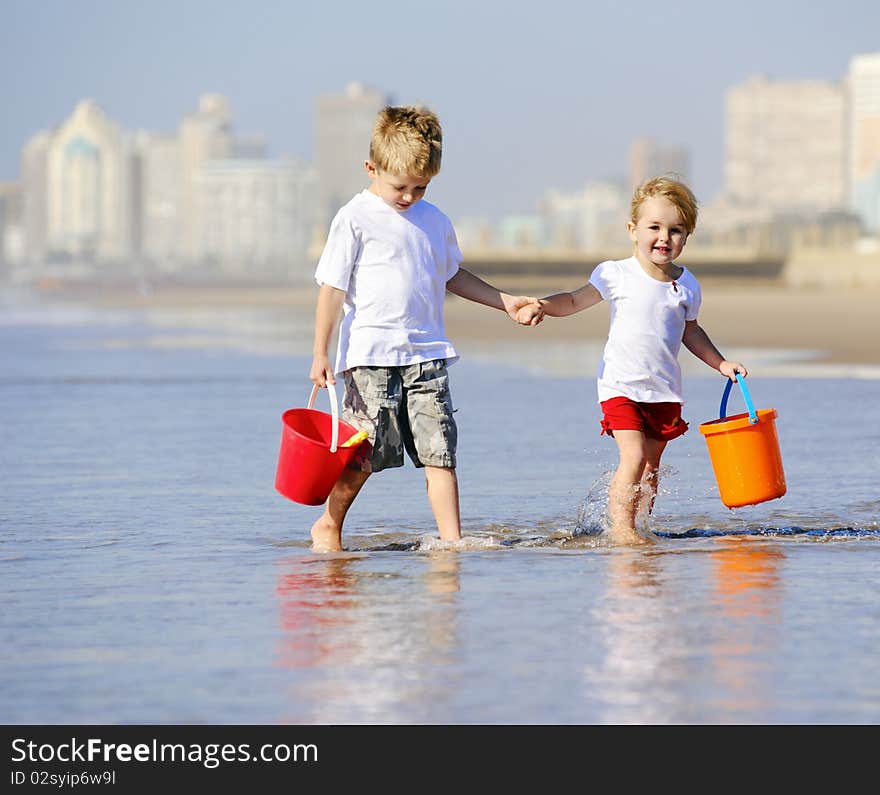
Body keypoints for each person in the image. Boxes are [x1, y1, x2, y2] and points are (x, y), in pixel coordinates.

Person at [309, 105, 536, 552]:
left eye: (421, 187)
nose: (410, 196)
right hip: (370, 356)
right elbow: (332, 289)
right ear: (371, 168)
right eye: (400, 186)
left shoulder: (435, 220)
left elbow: (453, 275)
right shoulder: (354, 218)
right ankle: (329, 524)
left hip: (427, 354)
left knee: (441, 451)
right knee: (364, 453)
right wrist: (320, 352)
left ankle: (451, 541)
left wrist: (504, 302)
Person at [517, 176, 748, 545]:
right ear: (632, 229)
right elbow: (575, 300)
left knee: (652, 467)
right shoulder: (615, 274)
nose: (664, 238)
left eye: (675, 230)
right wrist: (544, 304)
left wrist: (721, 364)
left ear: (686, 237)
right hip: (620, 385)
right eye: (654, 227)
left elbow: (691, 331)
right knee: (635, 455)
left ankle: (640, 524)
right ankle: (621, 529)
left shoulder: (688, 284)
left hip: (664, 390)